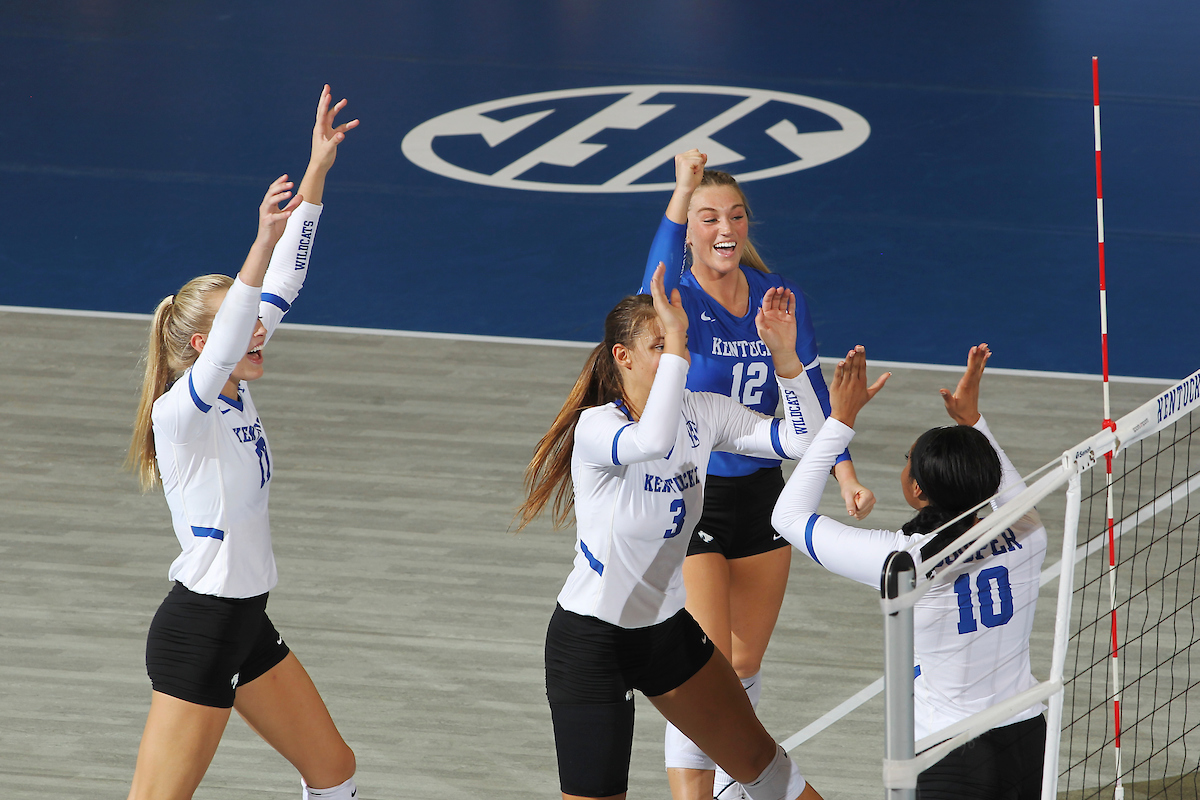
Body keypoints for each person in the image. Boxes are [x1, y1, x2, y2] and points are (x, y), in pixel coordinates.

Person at [124, 86, 359, 800]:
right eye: (240, 324)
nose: (260, 330)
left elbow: (288, 276)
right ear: (201, 347)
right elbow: (236, 332)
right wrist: (258, 241)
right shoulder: (182, 410)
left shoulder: (231, 386)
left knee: (334, 773)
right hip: (200, 627)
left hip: (246, 619)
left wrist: (316, 172)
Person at [517, 263, 825, 800]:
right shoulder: (599, 428)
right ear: (623, 357)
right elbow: (653, 441)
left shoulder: (700, 413)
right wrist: (682, 340)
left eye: (678, 343)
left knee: (762, 762)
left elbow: (806, 442)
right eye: (660, 345)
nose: (676, 355)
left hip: (665, 633)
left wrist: (787, 363)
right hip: (591, 642)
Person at [642, 149, 875, 800]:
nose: (724, 227)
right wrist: (682, 187)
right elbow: (654, 272)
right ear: (689, 228)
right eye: (708, 216)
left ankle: (731, 789)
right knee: (705, 666)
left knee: (743, 663)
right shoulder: (675, 298)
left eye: (736, 216)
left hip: (764, 493)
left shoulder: (780, 297)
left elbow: (811, 392)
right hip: (695, 494)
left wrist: (845, 473)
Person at [772, 344, 1047, 799]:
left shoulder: (903, 562)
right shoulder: (1027, 532)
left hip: (948, 752)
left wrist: (839, 422)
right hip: (1024, 737)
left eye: (906, 460)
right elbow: (999, 482)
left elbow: (787, 518)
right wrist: (973, 421)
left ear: (918, 489)